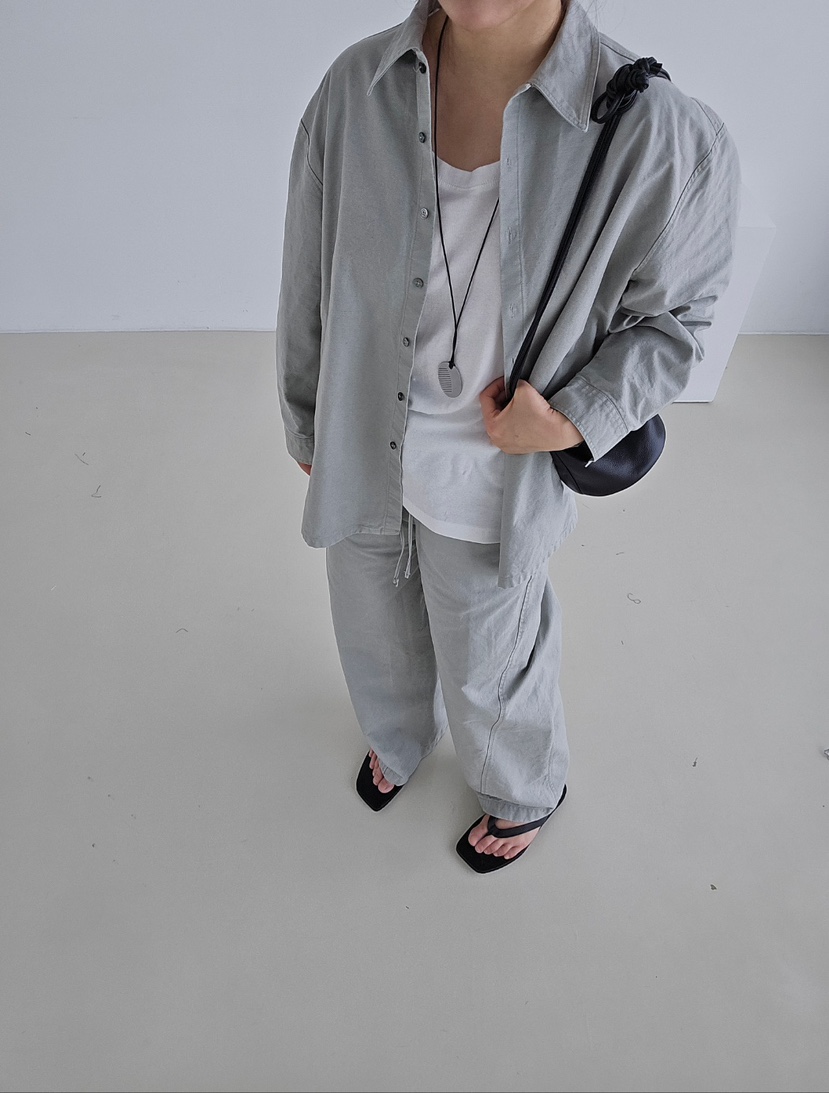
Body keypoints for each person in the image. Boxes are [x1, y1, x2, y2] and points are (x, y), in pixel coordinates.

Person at [275, 0, 741, 872]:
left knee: (488, 653)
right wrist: (305, 411)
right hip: (362, 436)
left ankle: (521, 787)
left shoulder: (656, 131)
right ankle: (398, 735)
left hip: (493, 472)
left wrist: (572, 417)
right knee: (369, 620)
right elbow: (309, 261)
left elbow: (675, 323)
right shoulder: (357, 87)